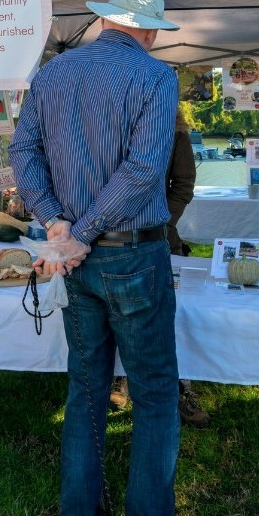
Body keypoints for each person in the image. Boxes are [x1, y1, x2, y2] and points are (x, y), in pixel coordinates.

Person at [7, 0, 194, 516]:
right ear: (145, 29)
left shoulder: (52, 74)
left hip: (79, 256)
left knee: (87, 390)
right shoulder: (157, 78)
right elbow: (144, 171)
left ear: (109, 21)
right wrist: (74, 234)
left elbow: (22, 154)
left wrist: (58, 225)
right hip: (130, 254)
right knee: (156, 395)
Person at [109, 108, 209, 428]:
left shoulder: (174, 131)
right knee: (116, 312)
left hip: (161, 237)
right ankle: (119, 377)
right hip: (110, 238)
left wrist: (160, 219)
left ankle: (181, 387)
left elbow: (183, 183)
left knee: (171, 315)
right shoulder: (106, 124)